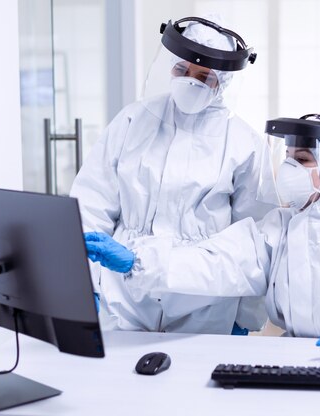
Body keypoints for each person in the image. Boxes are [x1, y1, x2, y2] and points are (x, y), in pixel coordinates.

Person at [87, 113, 320, 362]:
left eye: (303, 160)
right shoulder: (280, 228)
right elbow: (218, 260)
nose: (289, 167)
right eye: (287, 157)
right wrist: (138, 260)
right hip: (299, 358)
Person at [71, 16, 278, 335]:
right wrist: (83, 282)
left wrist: (246, 317)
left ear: (222, 82)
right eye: (182, 70)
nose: (190, 81)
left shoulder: (243, 143)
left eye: (204, 76)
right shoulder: (132, 121)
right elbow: (91, 204)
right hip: (124, 293)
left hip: (203, 298)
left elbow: (256, 237)